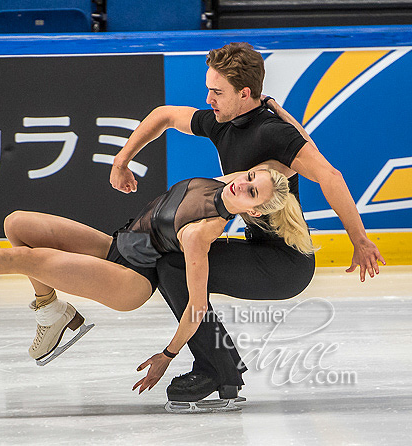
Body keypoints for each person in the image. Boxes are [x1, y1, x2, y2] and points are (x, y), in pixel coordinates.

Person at [0, 165, 311, 394]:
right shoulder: (226, 181)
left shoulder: (202, 235)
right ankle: (53, 315)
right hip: (115, 245)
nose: (242, 184)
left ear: (253, 210)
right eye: (249, 177)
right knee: (17, 223)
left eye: (252, 191)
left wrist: (167, 355)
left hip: (130, 280)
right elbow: (281, 162)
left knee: (27, 259)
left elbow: (196, 306)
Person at [109, 42, 386, 402]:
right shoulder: (223, 123)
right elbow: (163, 115)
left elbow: (330, 176)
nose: (209, 98)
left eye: (217, 92)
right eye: (209, 89)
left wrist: (360, 240)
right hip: (260, 247)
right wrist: (122, 159)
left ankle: (216, 370)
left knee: (174, 267)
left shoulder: (272, 133)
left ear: (244, 93)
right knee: (173, 261)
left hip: (286, 264)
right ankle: (221, 368)